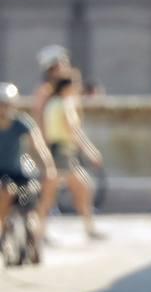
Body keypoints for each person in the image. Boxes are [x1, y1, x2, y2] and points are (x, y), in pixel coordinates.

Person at [42, 70, 105, 240]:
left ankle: (88, 227)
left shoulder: (54, 103)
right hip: (62, 152)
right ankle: (40, 232)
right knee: (52, 193)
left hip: (60, 151)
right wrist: (91, 152)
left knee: (79, 188)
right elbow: (73, 131)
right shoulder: (63, 104)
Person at [0, 83, 58, 242]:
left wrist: (49, 167)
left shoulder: (21, 123)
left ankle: (37, 230)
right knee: (6, 191)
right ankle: (3, 228)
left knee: (34, 192)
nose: (4, 109)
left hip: (18, 171)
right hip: (1, 175)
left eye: (7, 104)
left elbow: (39, 146)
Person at [30, 45, 71, 138]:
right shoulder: (44, 91)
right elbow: (39, 120)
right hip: (52, 145)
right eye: (63, 63)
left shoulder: (65, 91)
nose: (67, 67)